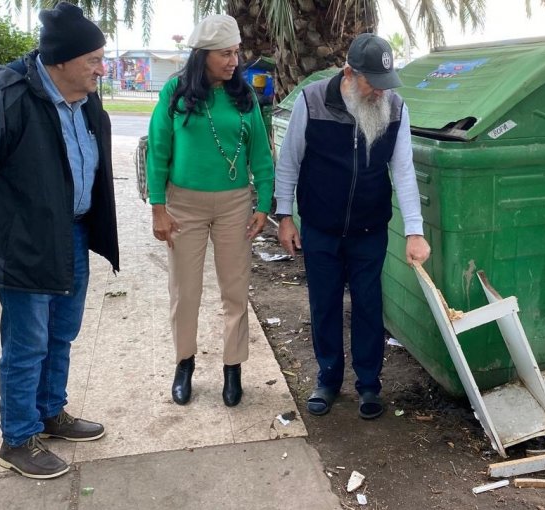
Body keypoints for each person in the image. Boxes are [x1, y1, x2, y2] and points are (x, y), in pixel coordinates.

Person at [0, 2, 118, 479]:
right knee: (26, 343)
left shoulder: (87, 99)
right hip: (23, 248)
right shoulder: (0, 99)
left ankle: (50, 413)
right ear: (59, 61)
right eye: (94, 59)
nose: (103, 68)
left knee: (62, 333)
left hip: (70, 236)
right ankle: (17, 438)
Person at [274, 33, 431, 420]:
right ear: (349, 73)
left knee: (368, 305)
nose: (380, 92)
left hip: (369, 230)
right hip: (320, 228)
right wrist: (284, 216)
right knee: (323, 304)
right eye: (372, 83)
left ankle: (369, 384)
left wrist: (415, 230)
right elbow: (289, 161)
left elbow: (405, 172)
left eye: (385, 83)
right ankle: (327, 379)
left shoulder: (395, 108)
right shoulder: (312, 101)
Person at [146, 14, 274, 408]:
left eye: (236, 52)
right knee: (185, 291)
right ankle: (184, 363)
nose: (234, 61)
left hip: (235, 204)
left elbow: (261, 156)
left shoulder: (244, 96)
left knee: (234, 290)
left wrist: (264, 205)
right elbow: (158, 149)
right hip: (184, 204)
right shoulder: (175, 92)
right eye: (225, 53)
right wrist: (158, 208)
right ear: (202, 55)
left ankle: (232, 369)